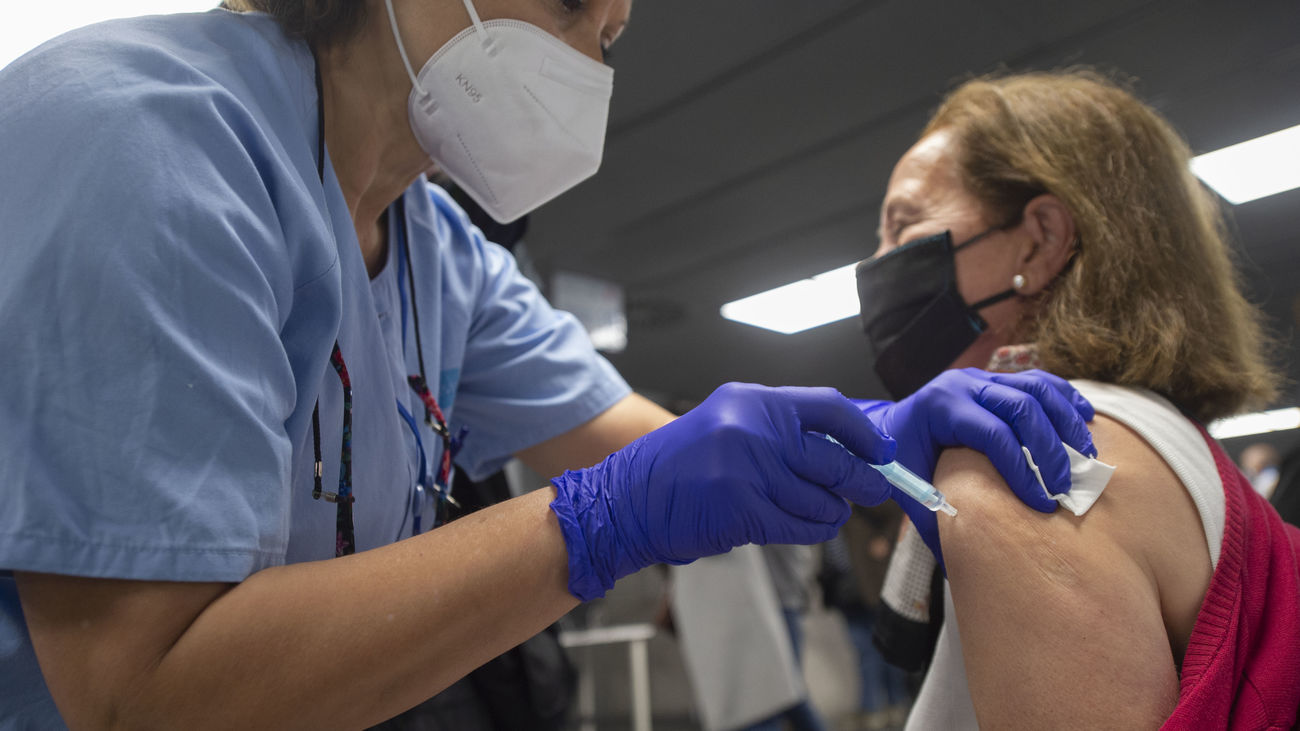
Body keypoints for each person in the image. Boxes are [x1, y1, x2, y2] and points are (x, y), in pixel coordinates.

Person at [0, 2, 1096, 727]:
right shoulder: (147, 138)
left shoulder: (438, 254)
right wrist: (596, 520)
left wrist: (876, 434)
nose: (585, 65)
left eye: (609, 39)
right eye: (571, 3)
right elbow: (139, 693)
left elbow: (651, 443)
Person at [854, 70, 1300, 729]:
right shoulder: (1169, 441)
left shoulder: (1020, 460)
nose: (877, 262)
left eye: (903, 224)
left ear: (1039, 240)